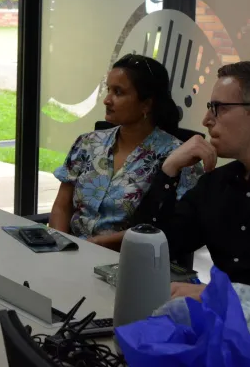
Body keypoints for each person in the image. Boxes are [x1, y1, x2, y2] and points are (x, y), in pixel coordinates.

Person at [134, 61, 250, 320]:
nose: (206, 120)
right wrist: (169, 170)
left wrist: (217, 295)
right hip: (222, 327)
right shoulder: (217, 183)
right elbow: (153, 247)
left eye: (219, 108)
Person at [50, 54, 202, 251]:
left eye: (118, 92)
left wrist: (94, 245)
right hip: (72, 252)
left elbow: (169, 228)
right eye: (108, 90)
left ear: (146, 104)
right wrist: (60, 246)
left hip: (130, 259)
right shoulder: (88, 143)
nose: (107, 100)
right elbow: (62, 206)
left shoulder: (179, 159)